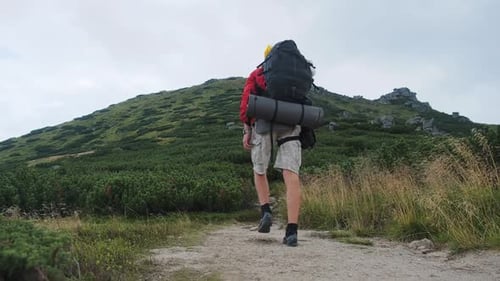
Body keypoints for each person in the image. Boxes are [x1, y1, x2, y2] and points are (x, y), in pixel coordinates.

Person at [239, 44, 302, 247]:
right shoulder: (298, 73)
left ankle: (266, 210)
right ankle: (292, 232)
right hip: (291, 123)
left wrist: (247, 130)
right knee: (291, 174)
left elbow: (246, 103)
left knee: (259, 169)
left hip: (263, 122)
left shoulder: (258, 73)